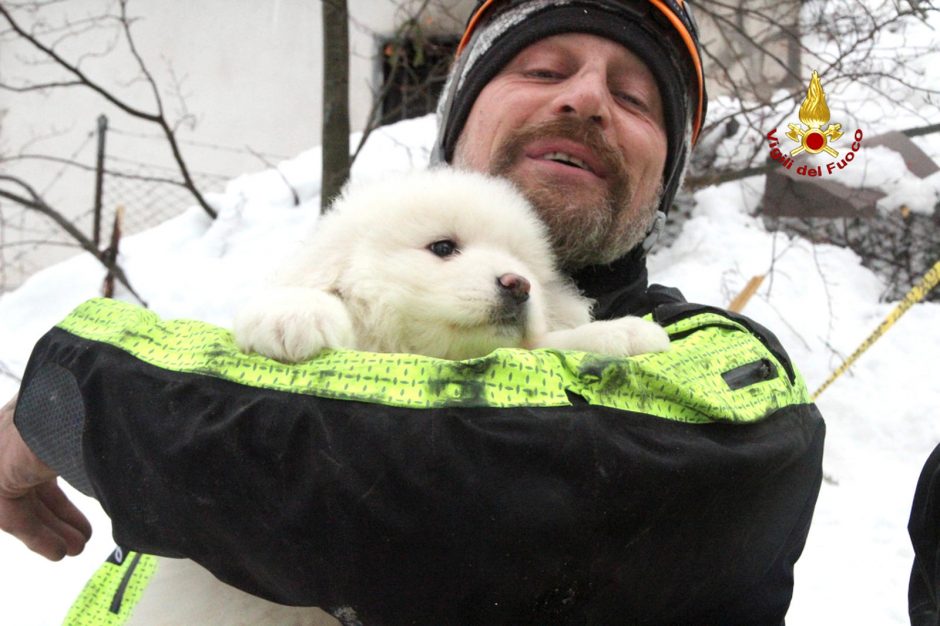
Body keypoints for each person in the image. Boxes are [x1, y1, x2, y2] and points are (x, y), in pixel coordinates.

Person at [1, 1, 827, 624]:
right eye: (543, 71)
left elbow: (444, 479)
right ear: (460, 121)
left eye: (636, 97)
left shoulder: (713, 369)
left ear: (664, 178)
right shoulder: (336, 271)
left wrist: (74, 399)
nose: (585, 100)